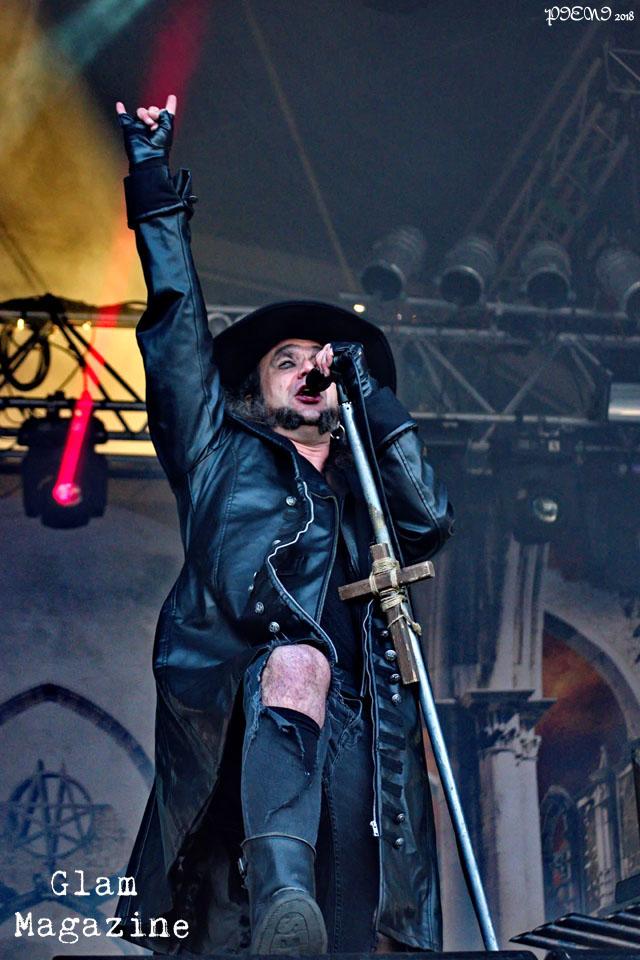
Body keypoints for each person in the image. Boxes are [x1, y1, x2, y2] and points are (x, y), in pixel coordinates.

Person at [114, 94, 454, 956]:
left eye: (319, 363)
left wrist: (371, 398)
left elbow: (430, 521)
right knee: (298, 661)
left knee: (353, 926)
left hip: (360, 741)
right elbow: (176, 335)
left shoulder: (366, 493)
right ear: (253, 389)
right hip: (247, 711)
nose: (308, 370)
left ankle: (306, 913)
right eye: (286, 360)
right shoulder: (218, 455)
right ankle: (280, 896)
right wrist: (152, 183)